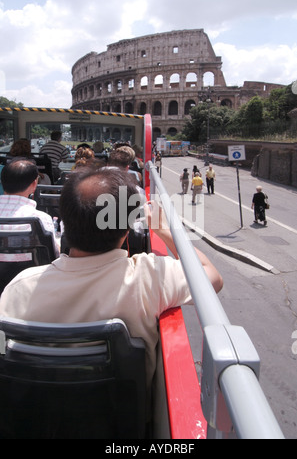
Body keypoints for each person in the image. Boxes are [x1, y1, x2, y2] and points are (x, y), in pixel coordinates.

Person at [0, 166, 223, 404]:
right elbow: (212, 277)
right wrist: (164, 229)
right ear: (128, 229)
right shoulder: (150, 277)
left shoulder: (20, 287)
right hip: (125, 423)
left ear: (64, 221)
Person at [0, 159, 60, 290]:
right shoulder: (41, 219)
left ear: (2, 182)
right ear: (34, 184)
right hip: (31, 289)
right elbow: (54, 256)